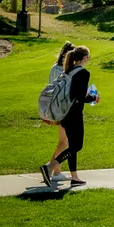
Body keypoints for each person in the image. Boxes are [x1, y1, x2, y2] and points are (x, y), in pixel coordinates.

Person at [40, 46, 98, 188]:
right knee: (77, 146)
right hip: (74, 114)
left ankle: (75, 177)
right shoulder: (84, 73)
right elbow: (79, 96)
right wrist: (93, 97)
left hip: (64, 114)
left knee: (72, 145)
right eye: (88, 57)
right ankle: (50, 166)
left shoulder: (68, 71)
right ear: (84, 58)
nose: (88, 60)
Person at [46, 42, 77, 182]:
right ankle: (51, 168)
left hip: (54, 108)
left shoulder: (54, 68)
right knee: (64, 142)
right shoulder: (67, 71)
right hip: (64, 109)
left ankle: (56, 170)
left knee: (63, 141)